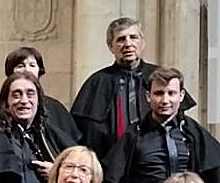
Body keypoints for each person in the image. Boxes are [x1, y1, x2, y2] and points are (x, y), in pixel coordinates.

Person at [101, 67, 220, 183]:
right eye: (158, 93)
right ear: (148, 96)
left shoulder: (195, 135)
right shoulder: (135, 135)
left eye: (171, 93)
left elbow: (214, 178)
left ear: (182, 96)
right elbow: (112, 182)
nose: (165, 100)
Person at [72, 17, 195, 158]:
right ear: (111, 47)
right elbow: (82, 133)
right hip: (109, 164)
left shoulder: (161, 77)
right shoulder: (97, 81)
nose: (128, 44)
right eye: (121, 39)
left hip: (155, 161)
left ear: (142, 43)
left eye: (133, 37)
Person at [0, 46, 78, 142]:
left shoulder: (56, 108)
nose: (27, 70)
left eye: (32, 65)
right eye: (20, 66)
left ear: (39, 70)